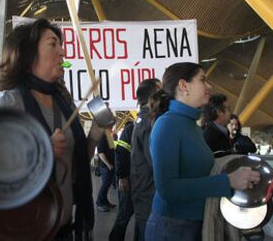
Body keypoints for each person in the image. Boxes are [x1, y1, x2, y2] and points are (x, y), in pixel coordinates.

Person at [0, 18, 104, 240]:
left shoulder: (65, 103)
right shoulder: (8, 103)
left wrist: (95, 134)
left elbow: (73, 163)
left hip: (64, 228)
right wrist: (38, 151)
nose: (63, 52)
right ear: (28, 54)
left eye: (61, 45)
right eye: (53, 44)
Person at [145, 62, 260, 241]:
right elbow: (167, 188)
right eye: (203, 80)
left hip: (193, 224)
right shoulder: (168, 124)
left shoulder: (192, 126)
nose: (209, 86)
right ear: (183, 86)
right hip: (173, 227)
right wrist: (228, 181)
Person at [129, 78, 162, 241]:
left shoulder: (142, 119)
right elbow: (156, 164)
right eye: (161, 90)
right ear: (155, 93)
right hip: (150, 196)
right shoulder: (150, 123)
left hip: (143, 194)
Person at [109, 121, 133, 240]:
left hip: (144, 182)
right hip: (129, 180)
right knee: (124, 214)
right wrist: (122, 177)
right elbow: (120, 153)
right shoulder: (130, 130)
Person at [95, 130, 117, 212]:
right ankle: (99, 203)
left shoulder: (108, 136)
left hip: (110, 165)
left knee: (107, 184)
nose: (112, 127)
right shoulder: (102, 137)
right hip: (105, 166)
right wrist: (108, 164)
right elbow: (101, 153)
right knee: (105, 184)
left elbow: (112, 149)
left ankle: (105, 202)